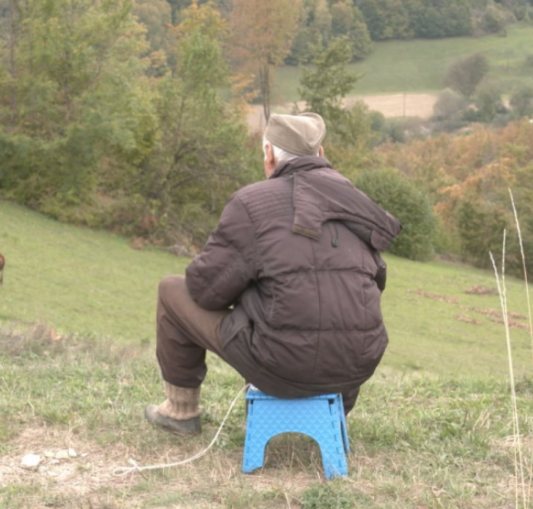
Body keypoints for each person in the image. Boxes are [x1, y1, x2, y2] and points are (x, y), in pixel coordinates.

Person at [145, 112, 402, 435]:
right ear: (320, 155)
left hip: (281, 366)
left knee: (172, 290)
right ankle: (336, 415)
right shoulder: (357, 202)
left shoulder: (252, 203)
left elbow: (204, 290)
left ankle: (180, 412)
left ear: (269, 154)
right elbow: (377, 282)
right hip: (358, 365)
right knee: (338, 316)